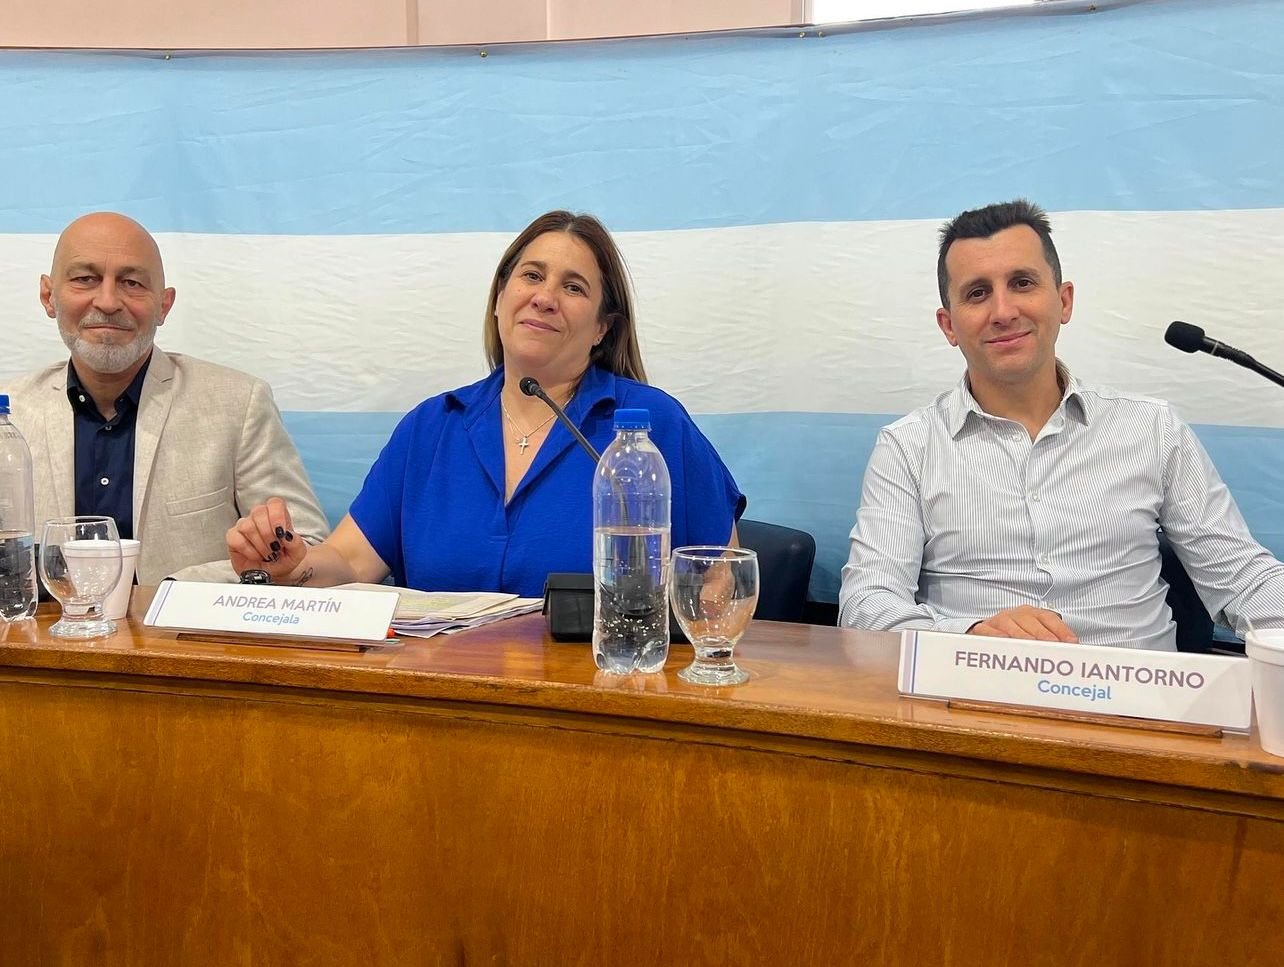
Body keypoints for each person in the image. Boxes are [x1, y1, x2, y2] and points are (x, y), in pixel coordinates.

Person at [839, 199, 1284, 650]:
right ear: (949, 325)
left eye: (1022, 283)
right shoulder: (908, 447)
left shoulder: (1153, 429)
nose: (1003, 311)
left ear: (1064, 301)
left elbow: (1244, 579)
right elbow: (866, 606)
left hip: (1134, 688)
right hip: (975, 684)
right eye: (977, 293)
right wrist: (970, 635)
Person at [227, 210, 744, 595]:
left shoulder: (651, 426)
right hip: (442, 693)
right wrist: (294, 567)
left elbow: (721, 577)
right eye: (532, 276)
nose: (545, 297)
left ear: (602, 329)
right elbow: (349, 561)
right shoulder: (431, 428)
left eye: (573, 288)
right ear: (499, 299)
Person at [3, 212, 328, 584]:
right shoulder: (11, 415)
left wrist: (171, 593)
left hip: (188, 621)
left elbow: (306, 549)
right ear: (49, 296)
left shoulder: (238, 404)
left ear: (164, 305)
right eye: (85, 279)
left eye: (132, 282)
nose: (107, 301)